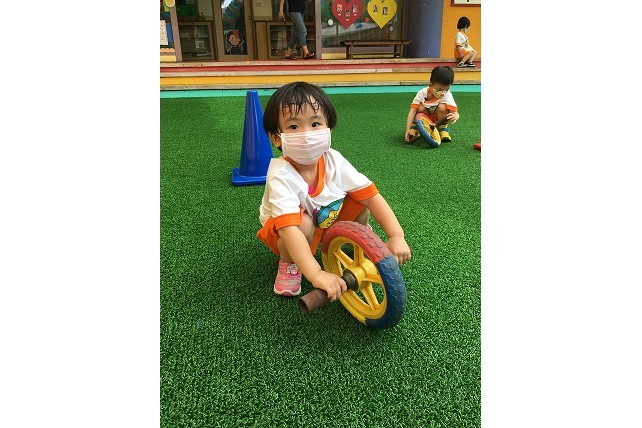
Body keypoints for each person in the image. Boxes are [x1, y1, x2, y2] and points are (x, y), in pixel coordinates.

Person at [257, 82, 412, 299]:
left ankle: (359, 234)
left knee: (358, 198)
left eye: (315, 123)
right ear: (276, 137)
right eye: (293, 127)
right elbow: (289, 229)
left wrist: (396, 235)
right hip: (286, 227)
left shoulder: (333, 159)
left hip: (322, 214)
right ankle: (289, 263)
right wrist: (317, 273)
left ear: (328, 129)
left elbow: (371, 196)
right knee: (302, 225)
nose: (307, 134)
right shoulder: (280, 175)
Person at [404, 66, 459, 143]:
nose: (443, 93)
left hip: (438, 121)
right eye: (440, 90)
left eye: (446, 89)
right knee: (420, 108)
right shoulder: (422, 93)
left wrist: (455, 116)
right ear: (430, 85)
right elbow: (412, 111)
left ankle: (442, 129)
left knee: (442, 107)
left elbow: (455, 113)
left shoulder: (447, 95)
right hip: (423, 119)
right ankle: (415, 127)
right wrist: (408, 129)